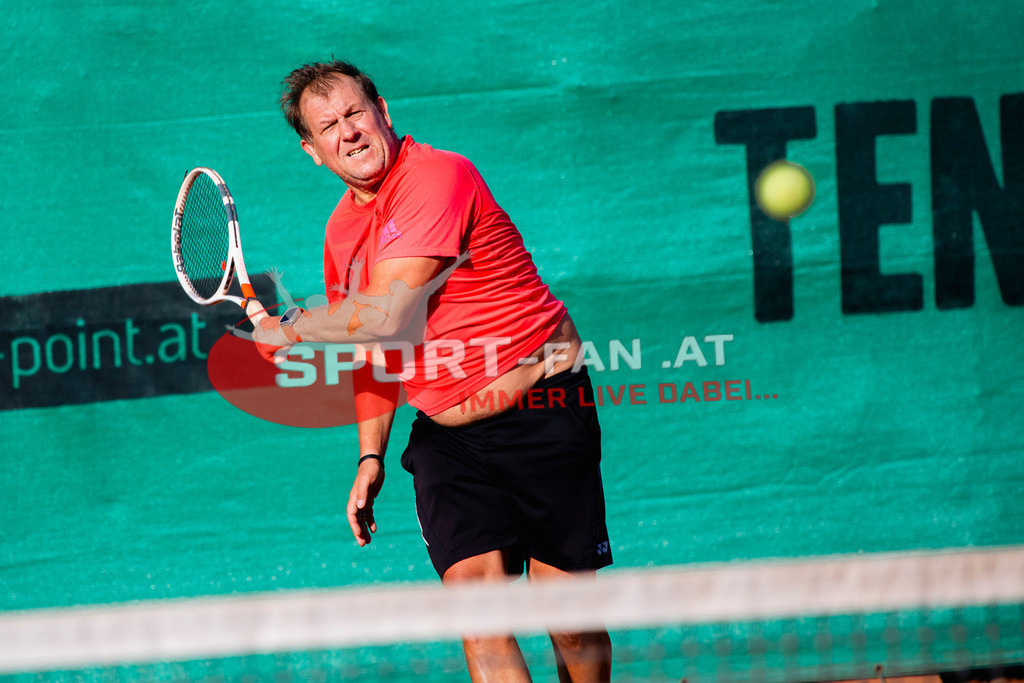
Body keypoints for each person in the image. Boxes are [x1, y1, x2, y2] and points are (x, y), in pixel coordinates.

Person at [253, 60, 612, 682]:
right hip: (450, 440)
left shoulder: (437, 174)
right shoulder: (342, 231)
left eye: (355, 114)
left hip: (542, 411)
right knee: (477, 614)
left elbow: (384, 314)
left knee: (569, 616)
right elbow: (376, 356)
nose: (349, 133)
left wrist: (288, 327)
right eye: (329, 126)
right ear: (312, 151)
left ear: (383, 113)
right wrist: (370, 457)